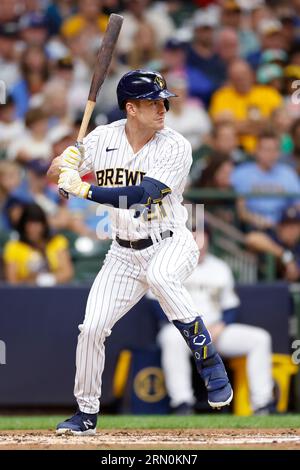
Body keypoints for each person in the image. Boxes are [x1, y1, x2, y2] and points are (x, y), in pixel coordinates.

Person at [48, 69, 233, 435]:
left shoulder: (176, 145)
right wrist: (66, 163)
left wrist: (83, 190)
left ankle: (209, 360)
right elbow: (56, 168)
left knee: (161, 275)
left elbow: (143, 194)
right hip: (122, 253)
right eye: (152, 102)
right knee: (92, 328)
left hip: (171, 240)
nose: (162, 107)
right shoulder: (102, 137)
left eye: (163, 100)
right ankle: (86, 413)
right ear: (131, 108)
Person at [156, 226, 274, 415]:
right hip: (181, 332)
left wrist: (221, 325)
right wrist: (191, 330)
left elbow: (230, 306)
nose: (199, 246)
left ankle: (262, 404)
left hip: (214, 331)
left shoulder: (220, 267)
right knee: (170, 338)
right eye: (195, 240)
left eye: (203, 241)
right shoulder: (168, 265)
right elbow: (157, 305)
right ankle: (182, 403)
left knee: (260, 338)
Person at [3, 203, 74, 285]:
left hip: (54, 292)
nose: (34, 228)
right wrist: (31, 280)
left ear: (44, 225)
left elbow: (67, 273)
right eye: (30, 223)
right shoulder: (14, 247)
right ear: (23, 225)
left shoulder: (57, 242)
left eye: (37, 223)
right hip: (25, 294)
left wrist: (46, 280)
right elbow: (12, 281)